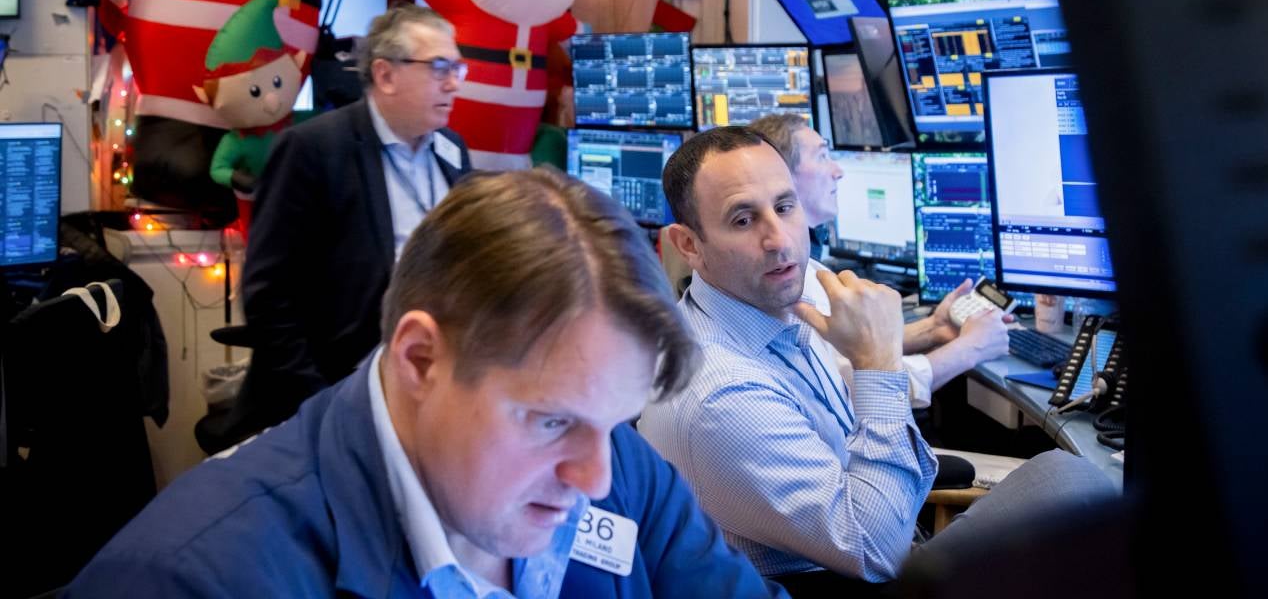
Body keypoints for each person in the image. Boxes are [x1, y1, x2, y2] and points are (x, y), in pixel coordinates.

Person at [69, 168, 786, 598]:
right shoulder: (197, 578)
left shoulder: (619, 467)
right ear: (418, 360)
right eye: (549, 421)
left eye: (617, 420)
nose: (596, 478)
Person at [639, 127, 1117, 592]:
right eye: (743, 220)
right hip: (853, 573)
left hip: (870, 533)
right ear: (688, 245)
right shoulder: (720, 396)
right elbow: (877, 553)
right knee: (1081, 490)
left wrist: (930, 329)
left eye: (786, 207)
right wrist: (880, 364)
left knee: (1071, 481)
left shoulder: (772, 287)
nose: (779, 240)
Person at [199, 3, 473, 453]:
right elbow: (268, 295)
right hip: (334, 399)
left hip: (427, 394)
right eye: (439, 66)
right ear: (385, 75)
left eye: (457, 66)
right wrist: (320, 403)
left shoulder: (452, 151)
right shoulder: (315, 149)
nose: (454, 82)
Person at [750, 113, 1011, 409]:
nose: (838, 171)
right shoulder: (782, 277)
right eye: (823, 156)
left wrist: (932, 328)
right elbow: (866, 385)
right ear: (781, 174)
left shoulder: (805, 264)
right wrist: (973, 347)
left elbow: (846, 348)